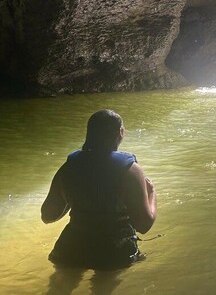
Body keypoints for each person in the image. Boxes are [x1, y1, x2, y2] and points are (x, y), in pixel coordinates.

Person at [41, 109, 157, 269]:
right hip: (113, 250)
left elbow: (47, 216)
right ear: (120, 132)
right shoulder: (131, 170)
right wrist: (151, 193)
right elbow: (144, 225)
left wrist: (72, 197)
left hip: (70, 249)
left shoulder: (69, 167)